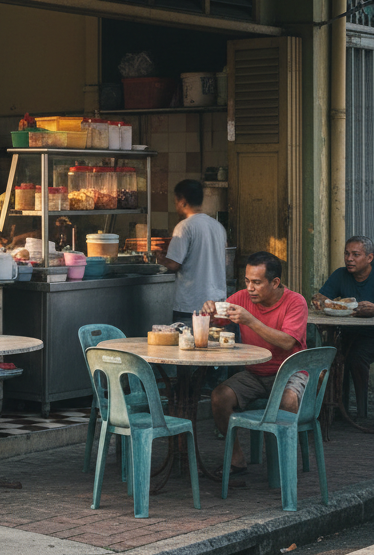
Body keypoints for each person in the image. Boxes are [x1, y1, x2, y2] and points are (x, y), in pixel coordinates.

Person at [203, 251, 308, 474]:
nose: (250, 288)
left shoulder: (295, 302)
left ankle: (283, 468)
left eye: (257, 283)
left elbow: (287, 341)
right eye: (247, 281)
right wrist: (210, 312)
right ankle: (236, 458)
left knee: (288, 400)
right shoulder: (242, 297)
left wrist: (251, 321)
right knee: (219, 397)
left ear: (275, 282)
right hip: (255, 373)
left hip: (288, 372)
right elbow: (219, 319)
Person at [312, 235, 374, 418]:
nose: (349, 259)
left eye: (355, 254)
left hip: (371, 336)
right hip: (347, 335)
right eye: (347, 254)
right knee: (332, 356)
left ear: (370, 258)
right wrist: (320, 300)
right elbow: (321, 297)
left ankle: (362, 414)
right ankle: (337, 410)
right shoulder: (340, 275)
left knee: (356, 357)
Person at [158, 179, 228, 319]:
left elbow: (174, 264)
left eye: (175, 202)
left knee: (188, 334)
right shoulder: (218, 226)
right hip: (216, 305)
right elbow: (224, 261)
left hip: (191, 305)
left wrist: (159, 259)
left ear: (182, 202)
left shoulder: (184, 227)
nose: (176, 206)